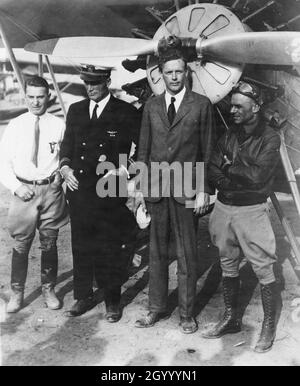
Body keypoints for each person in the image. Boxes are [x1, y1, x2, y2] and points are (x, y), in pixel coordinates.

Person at [134, 44, 216, 334]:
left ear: (186, 73)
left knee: (186, 254)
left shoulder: (201, 105)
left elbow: (207, 151)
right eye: (169, 72)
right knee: (156, 254)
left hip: (186, 189)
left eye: (179, 71)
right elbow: (143, 151)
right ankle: (156, 308)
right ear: (161, 75)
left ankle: (186, 313)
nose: (174, 77)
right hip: (156, 188)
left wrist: (204, 189)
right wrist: (142, 191)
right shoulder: (152, 106)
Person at [203, 80, 280, 353]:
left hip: (252, 211)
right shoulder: (228, 134)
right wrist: (232, 177)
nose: (232, 110)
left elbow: (260, 177)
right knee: (228, 262)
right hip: (224, 209)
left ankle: (268, 325)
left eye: (239, 106)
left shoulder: (270, 137)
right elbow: (213, 169)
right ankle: (231, 317)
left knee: (263, 267)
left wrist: (230, 168)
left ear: (255, 107)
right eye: (231, 105)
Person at [60, 65, 140, 321]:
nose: (90, 88)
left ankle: (112, 300)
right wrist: (64, 168)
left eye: (95, 82)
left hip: (110, 188)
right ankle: (83, 295)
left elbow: (142, 150)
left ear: (107, 80)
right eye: (86, 83)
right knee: (81, 244)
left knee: (110, 246)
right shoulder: (76, 110)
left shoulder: (125, 111)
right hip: (80, 188)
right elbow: (67, 146)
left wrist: (124, 170)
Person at [0, 76, 68, 313]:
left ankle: (49, 289)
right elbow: (3, 161)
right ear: (25, 96)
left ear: (48, 96)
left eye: (40, 97)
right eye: (31, 97)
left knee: (49, 242)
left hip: (50, 190)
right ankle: (17, 293)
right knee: (21, 244)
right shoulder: (16, 125)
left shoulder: (58, 125)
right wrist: (16, 186)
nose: (36, 102)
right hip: (24, 191)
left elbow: (65, 157)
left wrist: (60, 176)